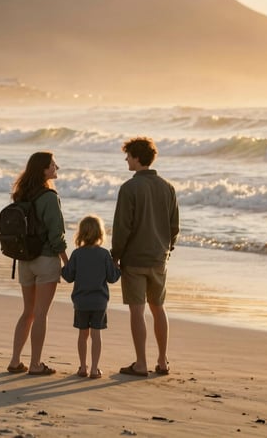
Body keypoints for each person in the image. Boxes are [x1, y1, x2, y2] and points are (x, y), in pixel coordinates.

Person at [111, 137, 179, 377]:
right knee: (159, 308)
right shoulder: (167, 187)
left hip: (134, 259)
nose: (126, 159)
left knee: (137, 311)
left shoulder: (129, 188)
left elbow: (122, 228)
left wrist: (115, 256)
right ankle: (162, 361)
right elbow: (174, 227)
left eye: (128, 155)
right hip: (159, 258)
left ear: (137, 158)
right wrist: (167, 250)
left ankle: (141, 363)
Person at [7, 151, 68, 376]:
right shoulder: (49, 197)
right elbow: (56, 235)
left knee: (28, 312)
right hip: (45, 261)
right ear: (44, 169)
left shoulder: (22, 194)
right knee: (41, 314)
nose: (57, 168)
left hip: (25, 261)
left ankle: (15, 361)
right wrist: (67, 262)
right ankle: (35, 364)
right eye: (53, 165)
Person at [61, 215, 120, 379]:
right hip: (99, 302)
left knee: (82, 334)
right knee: (96, 335)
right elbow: (112, 278)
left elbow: (68, 276)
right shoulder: (104, 255)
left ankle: (82, 367)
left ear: (80, 234)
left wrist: (63, 266)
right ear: (100, 235)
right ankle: (94, 368)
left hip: (81, 302)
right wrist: (117, 265)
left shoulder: (77, 254)